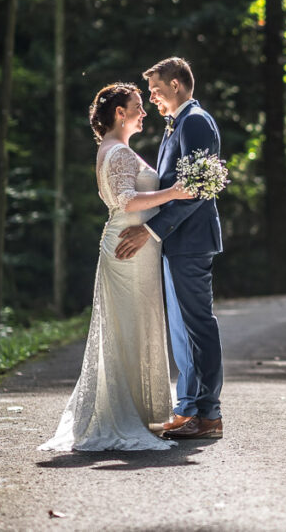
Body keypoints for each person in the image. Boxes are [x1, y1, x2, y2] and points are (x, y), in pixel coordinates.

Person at [40, 83, 194, 452]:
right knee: (129, 327)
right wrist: (174, 193)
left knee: (135, 325)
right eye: (137, 106)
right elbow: (126, 201)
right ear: (120, 114)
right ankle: (126, 415)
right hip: (129, 245)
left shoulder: (111, 149)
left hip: (129, 243)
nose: (144, 112)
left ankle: (140, 412)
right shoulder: (119, 153)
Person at [115, 58, 225, 440]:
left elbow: (200, 187)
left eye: (156, 90)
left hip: (190, 241)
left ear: (176, 85)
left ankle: (208, 415)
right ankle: (189, 408)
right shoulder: (177, 124)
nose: (152, 98)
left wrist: (151, 231)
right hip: (177, 241)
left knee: (198, 327)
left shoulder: (195, 121)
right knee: (181, 330)